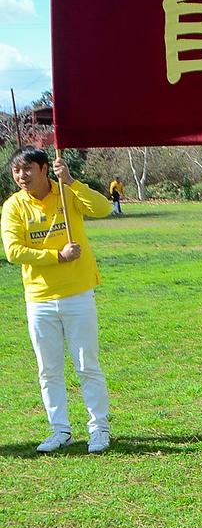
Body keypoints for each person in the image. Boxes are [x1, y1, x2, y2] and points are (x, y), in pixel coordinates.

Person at [1, 146, 113, 453]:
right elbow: (14, 251)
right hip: (38, 298)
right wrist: (57, 256)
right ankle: (60, 430)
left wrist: (72, 182)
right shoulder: (13, 206)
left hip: (77, 293)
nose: (21, 176)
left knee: (86, 365)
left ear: (44, 169)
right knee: (48, 369)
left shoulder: (68, 193)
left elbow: (103, 208)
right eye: (16, 171)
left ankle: (99, 429)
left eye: (27, 170)